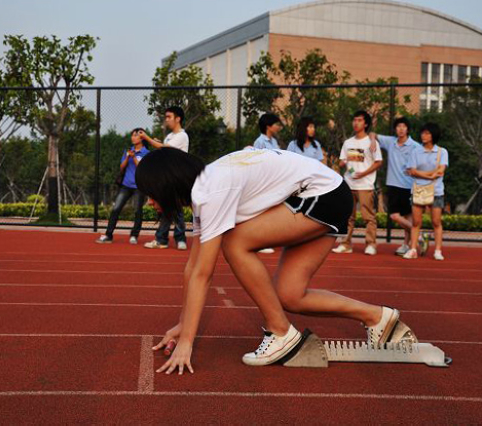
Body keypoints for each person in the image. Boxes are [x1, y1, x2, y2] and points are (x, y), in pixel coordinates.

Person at [136, 147, 404, 375]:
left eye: (151, 193)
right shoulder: (205, 188)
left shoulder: (211, 189)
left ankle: (280, 332)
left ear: (167, 185)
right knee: (289, 295)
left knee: (234, 242)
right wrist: (183, 324)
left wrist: (187, 341)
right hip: (329, 195)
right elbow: (193, 266)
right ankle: (377, 317)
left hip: (323, 195)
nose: (149, 202)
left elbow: (202, 273)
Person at [369, 118, 424, 256]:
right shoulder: (390, 142)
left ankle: (406, 244)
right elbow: (372, 134)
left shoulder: (415, 146)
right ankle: (419, 235)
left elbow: (422, 164)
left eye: (404, 126)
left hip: (409, 186)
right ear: (395, 129)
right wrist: (373, 141)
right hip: (393, 185)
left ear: (408, 129)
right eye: (398, 126)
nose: (401, 129)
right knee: (394, 216)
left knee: (407, 217)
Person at [332, 111, 383, 256]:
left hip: (365, 185)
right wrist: (342, 163)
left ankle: (371, 244)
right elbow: (343, 161)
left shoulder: (371, 143)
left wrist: (364, 173)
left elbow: (378, 162)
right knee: (348, 216)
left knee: (368, 217)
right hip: (349, 184)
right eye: (354, 120)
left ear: (365, 124)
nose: (356, 123)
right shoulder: (348, 143)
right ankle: (345, 244)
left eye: (359, 120)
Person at [138, 106, 189, 250]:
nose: (166, 120)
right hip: (168, 177)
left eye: (169, 117)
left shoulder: (182, 136)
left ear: (178, 119)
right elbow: (165, 150)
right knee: (168, 208)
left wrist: (147, 138)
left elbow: (165, 148)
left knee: (176, 208)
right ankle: (164, 239)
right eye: (166, 117)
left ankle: (177, 238)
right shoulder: (170, 136)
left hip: (178, 177)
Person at [404, 123, 449, 261]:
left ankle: (438, 250)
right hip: (418, 190)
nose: (424, 136)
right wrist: (429, 175)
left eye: (427, 133)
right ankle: (413, 249)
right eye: (423, 133)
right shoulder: (415, 151)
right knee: (416, 222)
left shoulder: (442, 152)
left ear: (433, 135)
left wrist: (421, 173)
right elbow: (411, 171)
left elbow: (441, 171)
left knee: (436, 221)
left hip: (436, 191)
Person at [96, 128, 148, 245]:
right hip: (126, 185)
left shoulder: (146, 153)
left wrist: (134, 157)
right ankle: (108, 235)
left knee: (137, 211)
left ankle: (134, 235)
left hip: (139, 187)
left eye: (136, 135)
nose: (133, 137)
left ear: (142, 138)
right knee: (116, 209)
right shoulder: (128, 150)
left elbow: (142, 168)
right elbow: (122, 167)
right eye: (132, 135)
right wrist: (128, 157)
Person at [252, 112, 283, 254]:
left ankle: (266, 240)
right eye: (276, 124)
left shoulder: (274, 142)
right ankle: (259, 242)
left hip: (273, 180)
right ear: (268, 126)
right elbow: (256, 162)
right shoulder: (259, 142)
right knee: (262, 212)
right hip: (263, 181)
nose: (278, 127)